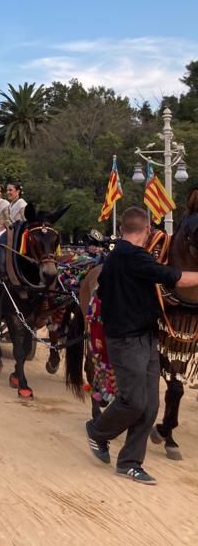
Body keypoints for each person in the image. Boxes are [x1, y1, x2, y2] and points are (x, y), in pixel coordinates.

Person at [85, 207, 198, 485]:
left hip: (146, 336)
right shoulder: (131, 256)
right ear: (147, 230)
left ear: (123, 229)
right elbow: (178, 278)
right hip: (126, 339)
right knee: (133, 401)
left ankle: (130, 462)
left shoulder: (121, 257)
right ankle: (98, 431)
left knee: (150, 405)